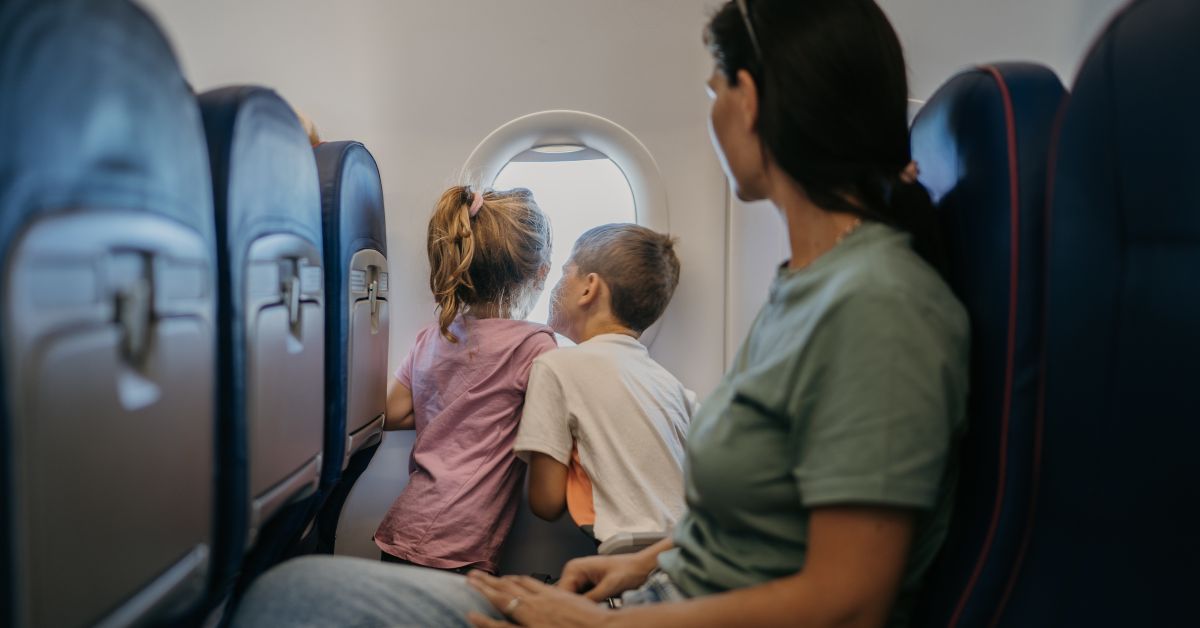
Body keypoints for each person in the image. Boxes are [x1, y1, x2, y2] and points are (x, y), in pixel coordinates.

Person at [231, 1, 968, 626]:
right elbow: (744, 533)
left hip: (654, 616)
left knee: (283, 597)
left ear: (748, 101)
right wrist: (635, 567)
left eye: (714, 90)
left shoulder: (877, 304)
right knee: (287, 592)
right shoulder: (805, 291)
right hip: (649, 594)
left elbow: (849, 599)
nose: (712, 113)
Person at [374, 185, 556, 575]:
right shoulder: (534, 346)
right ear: (538, 273)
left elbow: (391, 412)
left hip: (405, 527)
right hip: (455, 544)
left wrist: (450, 413)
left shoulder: (435, 335)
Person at [517, 224, 693, 543]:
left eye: (564, 272)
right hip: (688, 553)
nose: (555, 285)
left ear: (589, 288)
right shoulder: (674, 388)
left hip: (629, 559)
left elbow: (546, 502)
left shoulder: (556, 366)